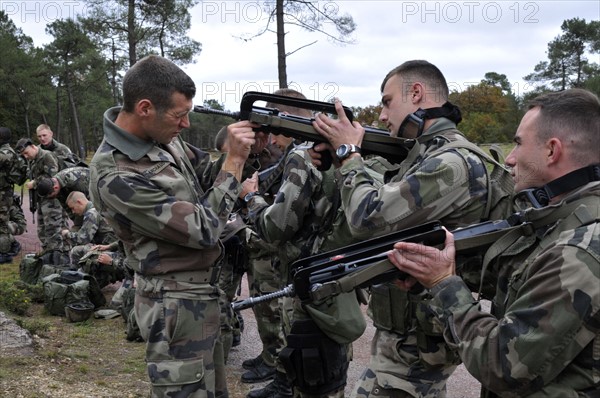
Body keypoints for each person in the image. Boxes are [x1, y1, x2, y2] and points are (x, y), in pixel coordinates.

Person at [387, 88, 600, 397]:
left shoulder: (579, 250)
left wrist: (444, 284)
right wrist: (433, 275)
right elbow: (523, 283)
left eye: (518, 143)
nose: (510, 159)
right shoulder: (567, 219)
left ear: (552, 151)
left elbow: (503, 365)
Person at [313, 60, 499, 398]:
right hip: (410, 335)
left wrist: (349, 154)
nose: (382, 116)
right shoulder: (425, 155)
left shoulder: (450, 163)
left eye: (387, 102)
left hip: (416, 348)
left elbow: (365, 217)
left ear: (416, 94)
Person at [88, 54, 256, 398]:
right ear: (145, 108)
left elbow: (204, 176)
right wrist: (235, 163)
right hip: (173, 305)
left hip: (200, 297)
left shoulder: (162, 138)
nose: (186, 125)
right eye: (179, 115)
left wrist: (244, 147)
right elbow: (204, 228)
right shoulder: (115, 175)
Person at [15, 138, 70, 258]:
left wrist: (34, 183)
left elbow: (52, 177)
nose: (26, 156)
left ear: (33, 146)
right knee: (42, 230)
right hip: (42, 199)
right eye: (23, 154)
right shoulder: (33, 160)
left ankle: (59, 258)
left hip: (52, 199)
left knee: (53, 229)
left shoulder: (47, 156)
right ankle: (50, 255)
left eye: (26, 152)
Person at [61, 191, 116, 268]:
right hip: (112, 245)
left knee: (76, 251)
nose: (73, 212)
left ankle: (78, 276)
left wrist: (66, 233)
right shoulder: (95, 207)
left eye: (73, 208)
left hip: (113, 249)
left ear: (79, 202)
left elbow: (82, 239)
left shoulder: (91, 213)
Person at [0, 127, 26, 263]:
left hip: (3, 194)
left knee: (1, 224)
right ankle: (12, 244)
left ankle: (4, 254)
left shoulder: (6, 152)